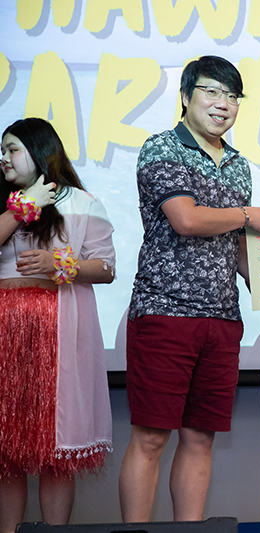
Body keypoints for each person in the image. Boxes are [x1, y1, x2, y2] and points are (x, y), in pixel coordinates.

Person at [119, 55, 260, 523]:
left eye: (232, 96)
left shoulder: (238, 166)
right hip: (165, 312)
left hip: (222, 319)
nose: (222, 104)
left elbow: (238, 248)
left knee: (199, 438)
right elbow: (187, 219)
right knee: (151, 436)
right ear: (185, 96)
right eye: (211, 92)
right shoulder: (162, 148)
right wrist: (249, 215)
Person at [0, 117, 115, 533]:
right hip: (6, 331)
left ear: (39, 151)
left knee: (55, 451)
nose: (4, 158)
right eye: (2, 151)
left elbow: (106, 268)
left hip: (60, 333)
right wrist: (20, 208)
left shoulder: (81, 203)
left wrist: (57, 263)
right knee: (7, 451)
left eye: (12, 149)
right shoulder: (5, 203)